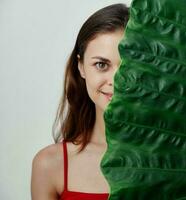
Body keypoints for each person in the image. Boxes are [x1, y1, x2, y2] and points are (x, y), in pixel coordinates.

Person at [31, 4, 129, 200]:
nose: (115, 81)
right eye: (101, 65)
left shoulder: (177, 162)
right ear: (81, 67)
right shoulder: (50, 165)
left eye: (129, 65)